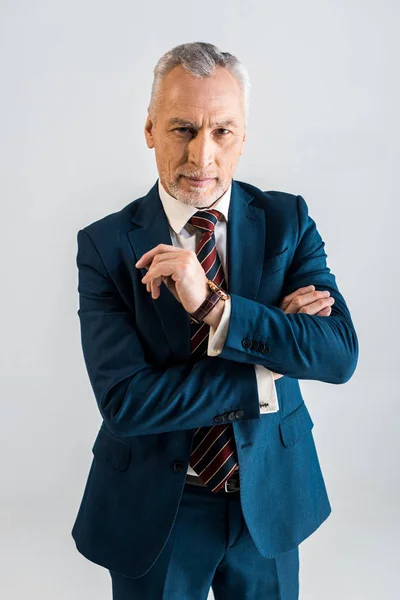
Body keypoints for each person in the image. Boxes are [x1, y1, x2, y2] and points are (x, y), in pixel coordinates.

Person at [71, 42, 359, 599]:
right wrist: (266, 363)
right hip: (158, 509)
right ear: (150, 129)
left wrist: (215, 309)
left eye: (222, 132)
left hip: (269, 503)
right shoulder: (105, 246)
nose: (203, 157)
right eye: (183, 129)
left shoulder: (286, 221)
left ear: (244, 136)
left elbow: (338, 353)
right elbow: (128, 403)